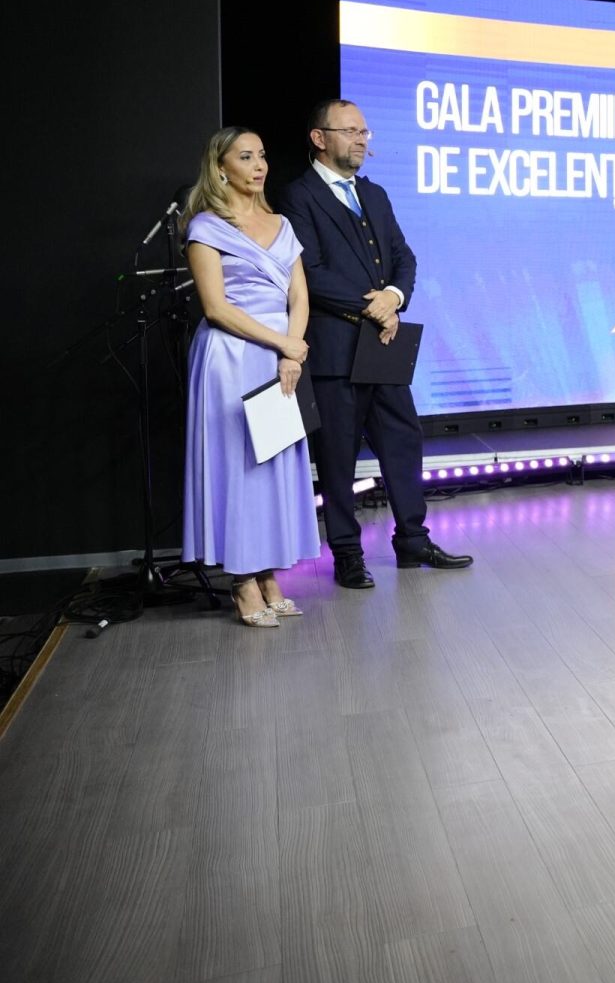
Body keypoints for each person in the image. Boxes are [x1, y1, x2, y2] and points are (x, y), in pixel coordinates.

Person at [280, 99, 472, 587]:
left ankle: (413, 540)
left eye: (365, 131)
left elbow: (404, 257)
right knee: (337, 456)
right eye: (350, 131)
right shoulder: (299, 196)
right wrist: (374, 307)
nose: (362, 140)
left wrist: (394, 297)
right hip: (335, 349)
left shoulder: (376, 194)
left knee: (403, 441)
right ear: (319, 138)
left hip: (383, 346)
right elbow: (308, 273)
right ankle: (346, 552)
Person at [181, 127, 321, 627]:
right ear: (220, 168)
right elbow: (216, 308)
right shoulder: (206, 227)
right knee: (236, 467)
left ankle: (268, 574)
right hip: (231, 358)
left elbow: (299, 296)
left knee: (272, 466)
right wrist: (283, 343)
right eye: (246, 156)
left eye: (261, 155)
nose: (259, 165)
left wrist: (292, 352)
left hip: (279, 359)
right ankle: (241, 581)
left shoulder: (282, 223)